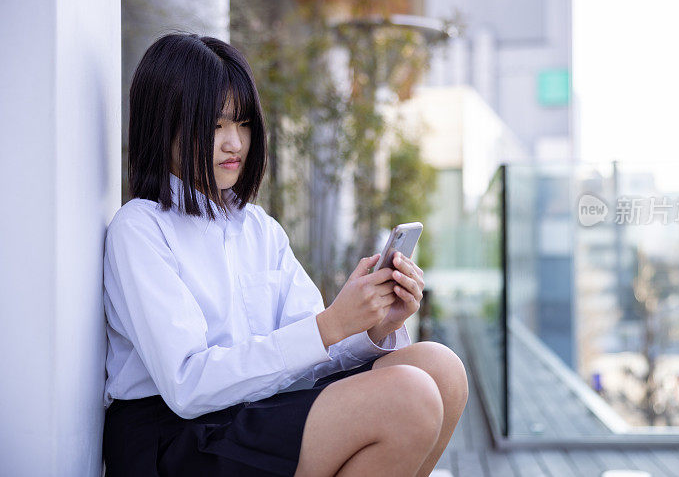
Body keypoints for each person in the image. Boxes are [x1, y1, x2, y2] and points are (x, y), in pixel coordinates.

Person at [102, 33, 468, 477]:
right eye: (215, 126)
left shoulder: (259, 229)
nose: (235, 143)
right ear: (166, 126)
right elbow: (187, 386)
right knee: (410, 395)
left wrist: (374, 327)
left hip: (252, 410)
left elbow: (307, 355)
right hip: (175, 437)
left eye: (243, 124)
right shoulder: (140, 228)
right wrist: (330, 325)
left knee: (441, 370)